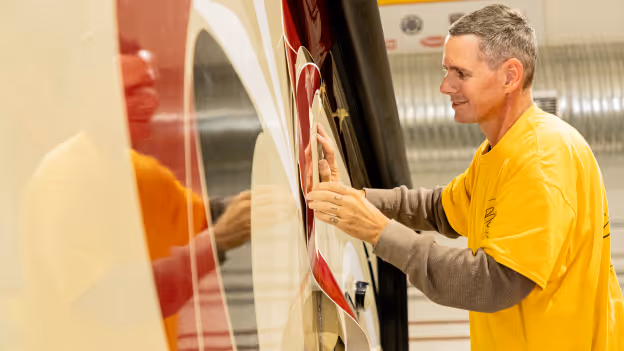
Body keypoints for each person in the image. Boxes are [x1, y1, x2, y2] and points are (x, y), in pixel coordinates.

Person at [307, 4, 623, 350]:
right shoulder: (501, 151)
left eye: (461, 73)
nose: (445, 86)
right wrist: (353, 199)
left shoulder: (540, 159)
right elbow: (441, 209)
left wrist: (377, 231)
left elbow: (493, 282)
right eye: (447, 71)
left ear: (510, 76)